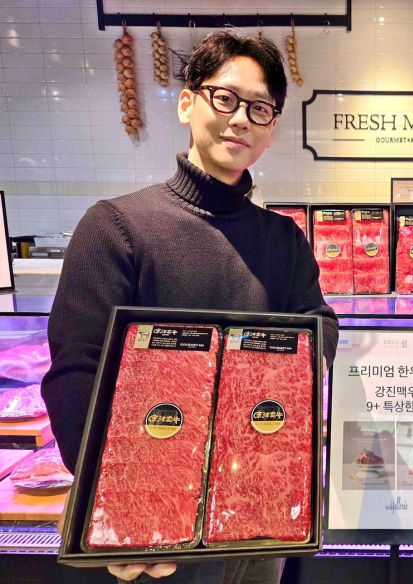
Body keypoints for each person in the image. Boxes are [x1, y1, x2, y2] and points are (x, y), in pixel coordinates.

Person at [41, 31, 338, 584]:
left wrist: (290, 374)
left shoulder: (284, 240)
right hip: (149, 517)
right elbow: (76, 371)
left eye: (260, 108)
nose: (240, 119)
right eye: (224, 98)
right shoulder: (116, 226)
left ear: (271, 128)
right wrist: (110, 497)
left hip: (255, 514)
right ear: (186, 103)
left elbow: (318, 322)